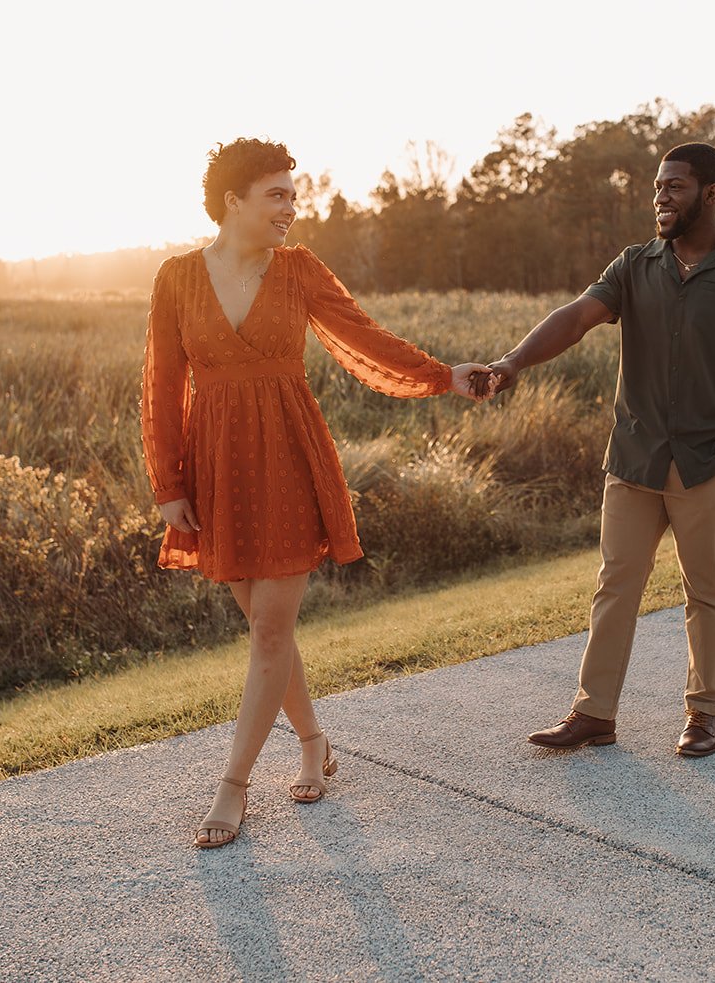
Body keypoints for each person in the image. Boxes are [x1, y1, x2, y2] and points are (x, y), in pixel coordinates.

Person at [140, 138, 495, 848]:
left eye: (293, 196)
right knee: (265, 627)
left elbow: (361, 336)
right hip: (217, 466)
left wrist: (442, 375)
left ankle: (232, 787)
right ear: (232, 200)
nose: (291, 209)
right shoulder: (176, 278)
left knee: (271, 630)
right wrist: (169, 484)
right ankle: (313, 742)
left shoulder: (299, 271)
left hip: (289, 457)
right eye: (276, 195)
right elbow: (160, 384)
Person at [485, 142, 715, 759]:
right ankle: (593, 714)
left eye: (675, 187)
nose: (660, 197)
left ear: (710, 195)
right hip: (634, 459)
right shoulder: (634, 265)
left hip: (707, 462)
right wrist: (513, 361)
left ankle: (704, 714)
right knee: (615, 586)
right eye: (658, 186)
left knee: (706, 590)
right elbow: (576, 317)